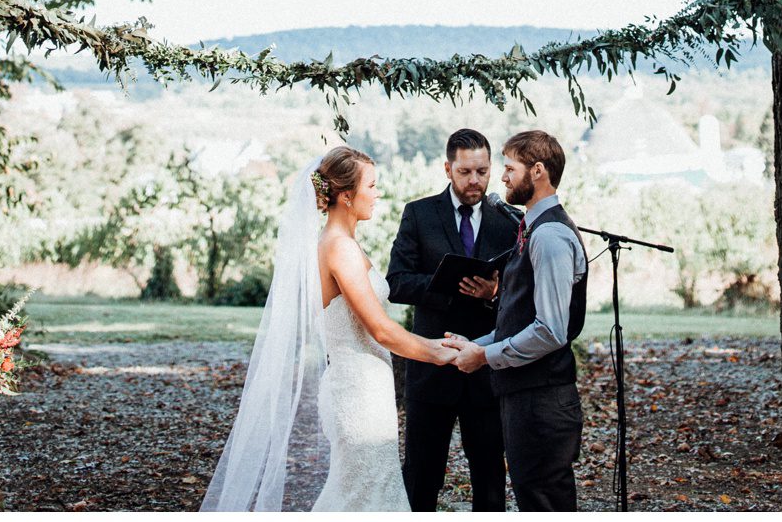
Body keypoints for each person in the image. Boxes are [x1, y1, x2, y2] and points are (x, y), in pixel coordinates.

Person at [202, 145, 458, 512]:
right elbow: (381, 331)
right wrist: (442, 353)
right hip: (358, 394)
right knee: (364, 494)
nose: (378, 193)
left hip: (365, 387)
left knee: (361, 492)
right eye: (371, 186)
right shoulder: (339, 248)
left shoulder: (341, 244)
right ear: (346, 195)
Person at [446, 129, 588, 511]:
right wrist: (478, 345)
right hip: (526, 397)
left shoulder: (551, 236)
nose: (503, 177)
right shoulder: (532, 228)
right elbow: (521, 318)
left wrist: (485, 357)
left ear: (537, 171)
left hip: (542, 401)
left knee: (544, 503)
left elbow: (550, 330)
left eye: (510, 168)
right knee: (532, 498)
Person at [386, 128, 521, 510]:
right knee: (421, 478)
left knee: (490, 481)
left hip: (487, 370)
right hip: (431, 367)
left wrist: (493, 294)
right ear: (448, 169)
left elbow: (521, 294)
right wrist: (447, 284)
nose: (475, 181)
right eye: (465, 172)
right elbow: (396, 282)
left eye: (482, 171)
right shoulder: (419, 213)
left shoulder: (510, 220)